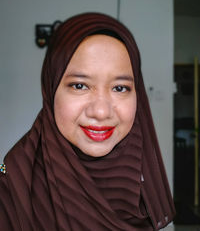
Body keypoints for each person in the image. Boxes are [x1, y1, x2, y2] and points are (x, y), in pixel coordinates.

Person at [0, 12, 175, 230]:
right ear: (51, 90)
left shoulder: (143, 193)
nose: (101, 112)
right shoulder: (11, 189)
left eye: (120, 88)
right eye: (80, 85)